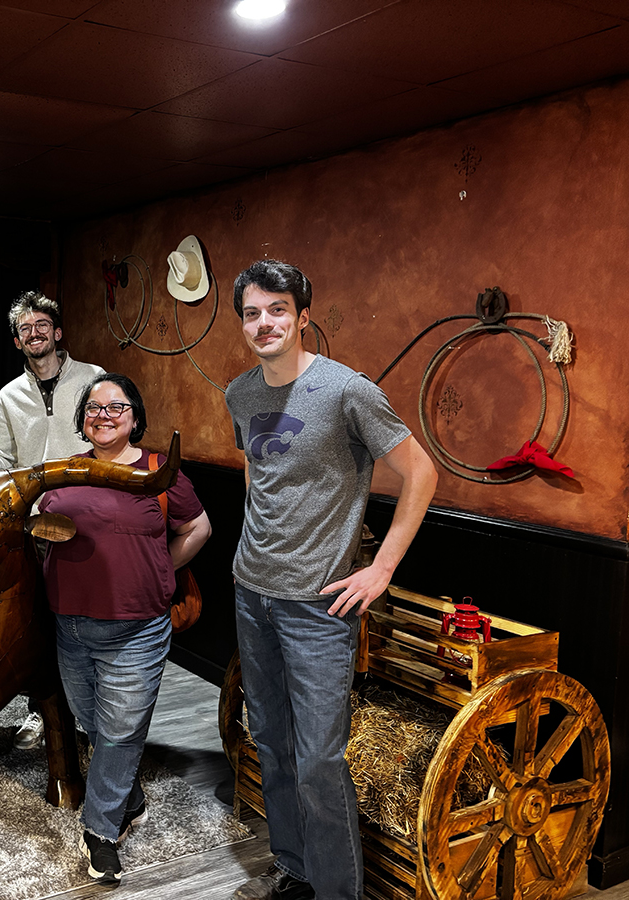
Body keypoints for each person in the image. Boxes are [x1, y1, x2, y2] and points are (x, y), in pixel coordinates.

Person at [223, 260, 438, 900]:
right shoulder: (240, 394)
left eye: (278, 310)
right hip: (251, 592)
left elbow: (420, 474)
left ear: (303, 316)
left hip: (319, 605)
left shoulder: (348, 391)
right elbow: (257, 472)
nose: (265, 323)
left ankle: (339, 891)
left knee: (319, 759)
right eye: (252, 313)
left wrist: (382, 567)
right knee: (269, 740)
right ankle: (296, 867)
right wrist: (250, 543)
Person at [39, 373, 211, 885]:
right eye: (93, 408)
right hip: (70, 624)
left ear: (135, 417)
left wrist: (162, 569)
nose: (103, 415)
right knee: (91, 721)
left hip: (137, 628)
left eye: (116, 407)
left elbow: (198, 527)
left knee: (118, 733)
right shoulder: (66, 471)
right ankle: (128, 794)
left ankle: (101, 831)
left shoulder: (160, 470)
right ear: (82, 420)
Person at [0, 289, 104, 749]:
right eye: (24, 330)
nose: (34, 334)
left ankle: (92, 715)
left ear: (57, 332)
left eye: (41, 326)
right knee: (39, 622)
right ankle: (42, 711)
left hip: (88, 518)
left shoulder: (94, 379)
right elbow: (3, 458)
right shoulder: (9, 395)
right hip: (34, 525)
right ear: (17, 341)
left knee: (87, 620)